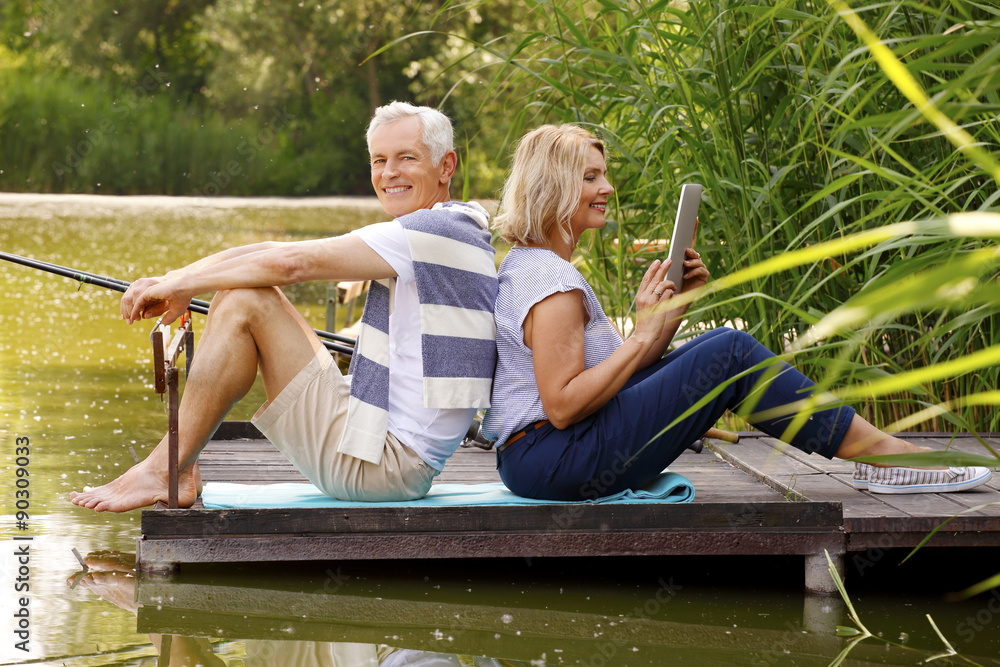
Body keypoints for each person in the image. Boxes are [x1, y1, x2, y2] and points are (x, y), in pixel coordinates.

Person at [481, 124, 992, 500]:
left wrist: (667, 316)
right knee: (727, 352)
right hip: (552, 457)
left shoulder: (538, 266)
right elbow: (564, 405)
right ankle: (883, 456)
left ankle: (876, 451)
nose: (608, 188)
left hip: (550, 453)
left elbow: (618, 380)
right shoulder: (548, 280)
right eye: (591, 177)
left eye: (604, 175)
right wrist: (638, 337)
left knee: (716, 346)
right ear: (554, 189)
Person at [71, 102, 498, 512]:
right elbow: (274, 248)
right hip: (385, 452)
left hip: (384, 467)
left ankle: (163, 469)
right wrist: (178, 280)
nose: (389, 173)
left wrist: (183, 284)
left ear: (446, 166)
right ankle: (176, 467)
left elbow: (291, 264)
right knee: (239, 292)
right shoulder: (448, 227)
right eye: (378, 160)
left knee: (245, 300)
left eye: (407, 158)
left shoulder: (435, 231)